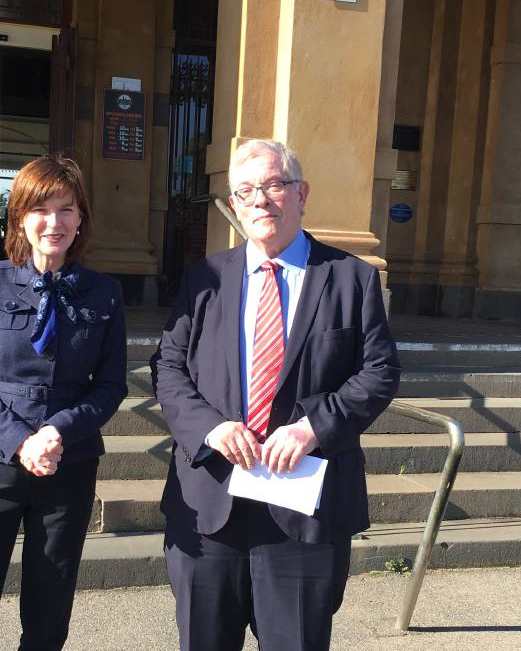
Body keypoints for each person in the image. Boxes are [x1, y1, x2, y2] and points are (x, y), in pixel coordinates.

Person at [151, 139, 401, 651]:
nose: (260, 199)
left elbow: (379, 371)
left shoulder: (351, 279)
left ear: (301, 192)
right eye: (246, 191)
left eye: (273, 185)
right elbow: (169, 368)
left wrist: (315, 427)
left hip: (303, 510)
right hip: (211, 503)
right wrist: (210, 427)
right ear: (235, 205)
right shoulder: (204, 279)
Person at [0, 155, 128, 651]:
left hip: (68, 464)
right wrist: (22, 441)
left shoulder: (104, 293)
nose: (54, 222)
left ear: (81, 217)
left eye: (66, 208)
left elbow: (110, 386)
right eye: (41, 208)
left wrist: (58, 431)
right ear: (20, 217)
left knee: (47, 622)